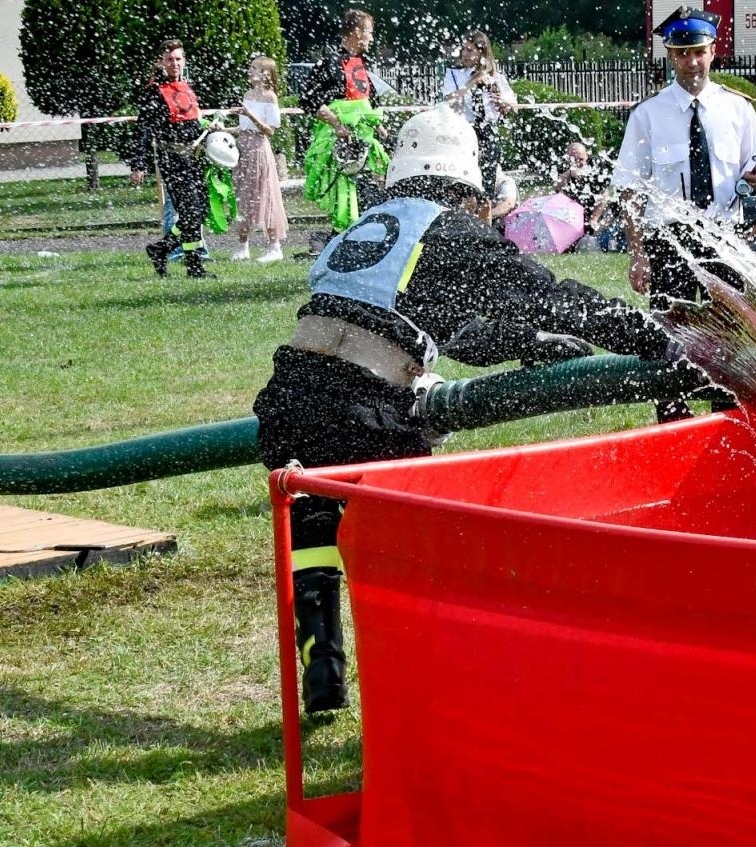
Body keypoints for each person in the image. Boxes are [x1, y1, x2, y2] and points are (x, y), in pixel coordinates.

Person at [253, 108, 678, 716]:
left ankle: (324, 667)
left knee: (315, 520)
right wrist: (655, 336)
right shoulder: (451, 229)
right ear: (464, 181)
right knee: (411, 544)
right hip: (368, 403)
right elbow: (554, 298)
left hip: (293, 391)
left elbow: (446, 331)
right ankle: (426, 684)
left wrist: (529, 345)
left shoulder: (371, 225)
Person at [612, 5, 756, 419]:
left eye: (699, 52)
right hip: (670, 239)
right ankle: (672, 418)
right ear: (670, 56)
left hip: (724, 236)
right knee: (667, 334)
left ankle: (727, 416)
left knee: (731, 332)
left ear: (713, 51)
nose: (692, 62)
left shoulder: (738, 109)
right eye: (682, 53)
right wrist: (638, 252)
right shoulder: (647, 115)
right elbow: (630, 189)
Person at [130, 39, 213, 279]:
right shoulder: (154, 92)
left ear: (184, 61)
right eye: (169, 59)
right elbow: (142, 130)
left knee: (197, 212)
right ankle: (193, 266)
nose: (174, 63)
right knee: (190, 212)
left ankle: (162, 249)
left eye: (178, 59)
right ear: (161, 62)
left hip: (193, 159)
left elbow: (192, 123)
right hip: (172, 160)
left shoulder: (187, 87)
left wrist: (209, 130)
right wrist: (138, 164)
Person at [301, 8, 383, 251]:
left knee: (365, 192)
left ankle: (349, 242)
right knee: (345, 194)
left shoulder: (362, 64)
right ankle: (339, 243)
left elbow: (370, 101)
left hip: (363, 141)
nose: (371, 38)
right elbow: (308, 100)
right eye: (369, 32)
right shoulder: (329, 63)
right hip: (339, 144)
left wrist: (379, 127)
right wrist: (337, 124)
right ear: (356, 32)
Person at [442, 30, 517, 206]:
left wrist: (504, 102)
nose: (464, 54)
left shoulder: (495, 77)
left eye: (470, 50)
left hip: (488, 132)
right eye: (463, 49)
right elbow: (449, 100)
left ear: (481, 52)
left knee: (486, 185)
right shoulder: (454, 73)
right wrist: (472, 83)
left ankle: (485, 215)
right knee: (464, 184)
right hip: (464, 132)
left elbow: (513, 106)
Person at [233, 55, 289, 263]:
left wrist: (249, 114)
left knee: (265, 194)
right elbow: (242, 129)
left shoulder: (270, 97)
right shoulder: (248, 94)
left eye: (254, 68)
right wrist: (222, 129)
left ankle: (275, 246)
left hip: (259, 149)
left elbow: (269, 130)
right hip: (243, 148)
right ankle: (243, 246)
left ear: (266, 74)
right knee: (243, 195)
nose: (250, 71)